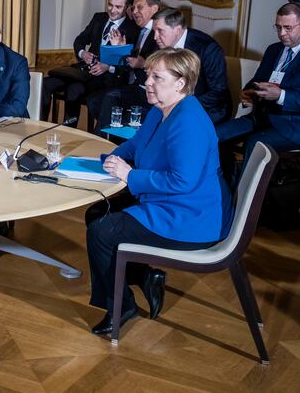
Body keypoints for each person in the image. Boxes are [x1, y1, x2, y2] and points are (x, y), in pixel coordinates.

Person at [86, 48, 232, 335]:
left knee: (102, 232)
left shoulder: (188, 121)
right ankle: (143, 274)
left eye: (156, 77)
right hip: (169, 202)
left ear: (180, 83)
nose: (147, 82)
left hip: (191, 217)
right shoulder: (160, 110)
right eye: (147, 75)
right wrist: (114, 158)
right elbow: (135, 144)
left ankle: (121, 306)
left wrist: (129, 175)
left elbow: (182, 182)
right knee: (96, 212)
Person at [217, 2, 300, 173]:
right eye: (278, 27)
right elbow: (258, 79)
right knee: (215, 134)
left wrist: (281, 95)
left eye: (288, 28)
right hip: (261, 118)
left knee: (255, 143)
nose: (282, 34)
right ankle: (221, 185)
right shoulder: (274, 49)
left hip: (295, 128)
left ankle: (245, 197)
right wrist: (249, 91)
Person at [41, 0, 139, 125]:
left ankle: (68, 130)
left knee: (74, 89)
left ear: (127, 7)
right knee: (44, 84)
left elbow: (127, 66)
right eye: (110, 5)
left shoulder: (132, 29)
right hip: (81, 70)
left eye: (118, 7)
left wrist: (107, 66)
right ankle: (41, 124)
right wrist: (83, 53)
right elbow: (79, 41)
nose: (112, 10)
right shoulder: (99, 18)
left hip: (105, 77)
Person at [85, 0, 161, 133]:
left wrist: (143, 64)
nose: (135, 12)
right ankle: (108, 138)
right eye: (133, 8)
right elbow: (129, 62)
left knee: (108, 99)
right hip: (131, 84)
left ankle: (102, 141)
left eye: (140, 7)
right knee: (95, 100)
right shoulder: (140, 30)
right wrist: (119, 48)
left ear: (154, 9)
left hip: (147, 89)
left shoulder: (158, 33)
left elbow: (157, 62)